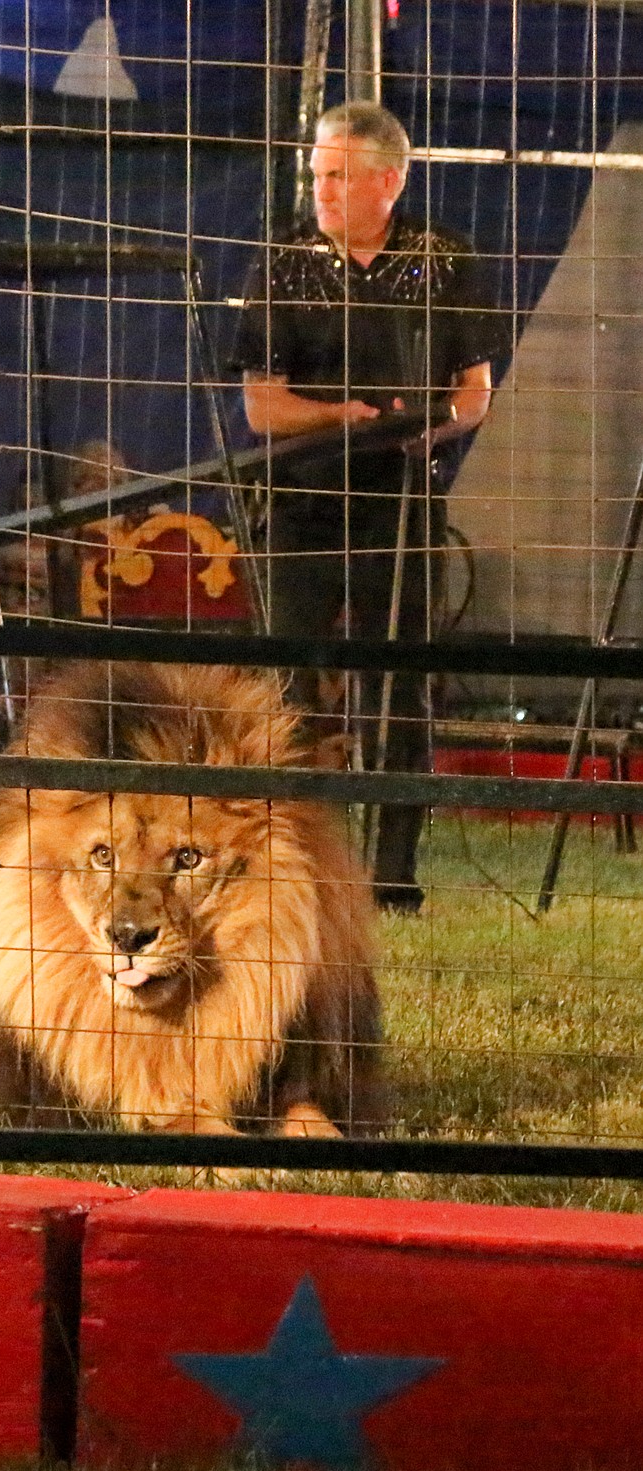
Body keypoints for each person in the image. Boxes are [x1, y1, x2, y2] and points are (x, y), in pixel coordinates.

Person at [233, 100, 508, 912]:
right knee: (288, 684)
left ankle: (392, 874)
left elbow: (474, 391)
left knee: (403, 682)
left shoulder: (444, 259)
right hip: (302, 500)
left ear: (389, 180)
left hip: (401, 498)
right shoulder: (281, 260)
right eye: (316, 173)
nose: (321, 189)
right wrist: (339, 420)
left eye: (339, 175)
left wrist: (431, 430)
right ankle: (287, 866)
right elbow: (262, 408)